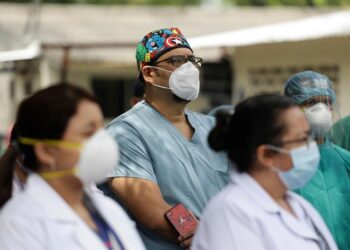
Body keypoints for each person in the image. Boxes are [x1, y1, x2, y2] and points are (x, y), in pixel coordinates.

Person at [106, 27, 231, 250]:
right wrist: (202, 234)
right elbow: (154, 213)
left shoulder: (212, 127)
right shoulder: (126, 133)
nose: (189, 68)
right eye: (176, 61)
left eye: (192, 60)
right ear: (149, 73)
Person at [0, 84, 145, 250]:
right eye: (89, 133)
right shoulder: (18, 224)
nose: (104, 141)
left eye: (101, 130)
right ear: (47, 151)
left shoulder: (109, 210)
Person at [192, 94, 338, 250]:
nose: (311, 147)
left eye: (309, 138)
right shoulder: (230, 213)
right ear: (266, 155)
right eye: (302, 139)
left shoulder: (298, 205)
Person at [284, 71, 350, 250]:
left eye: (326, 102)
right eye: (311, 102)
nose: (321, 109)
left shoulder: (345, 160)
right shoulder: (280, 164)